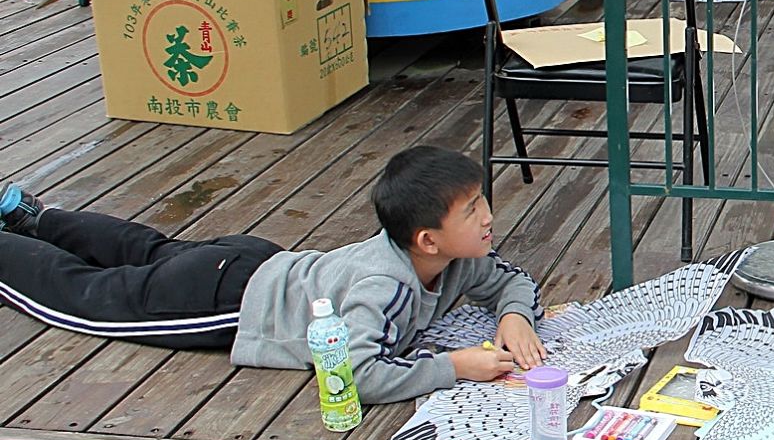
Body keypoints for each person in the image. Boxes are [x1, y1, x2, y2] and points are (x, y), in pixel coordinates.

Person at [0, 148, 545, 403]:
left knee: (147, 250)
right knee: (85, 297)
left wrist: (516, 316)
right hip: (227, 298)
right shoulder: (384, 286)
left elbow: (510, 282)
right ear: (428, 240)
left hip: (252, 259)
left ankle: (32, 215)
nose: (488, 215)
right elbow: (357, 376)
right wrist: (454, 365)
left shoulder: (459, 257)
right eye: (472, 209)